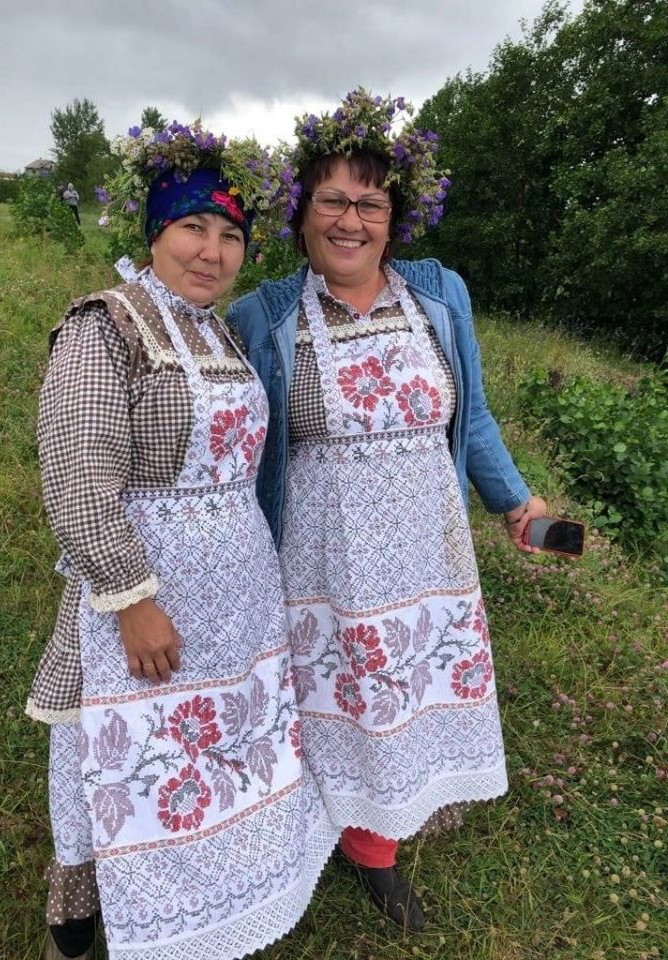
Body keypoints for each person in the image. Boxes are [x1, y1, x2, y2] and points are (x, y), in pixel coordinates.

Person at [228, 89, 547, 932]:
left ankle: (376, 852)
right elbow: (226, 437)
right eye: (331, 198)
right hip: (321, 559)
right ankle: (296, 849)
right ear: (301, 213)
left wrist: (515, 502)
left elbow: (469, 414)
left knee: (399, 699)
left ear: (393, 217)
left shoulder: (438, 296)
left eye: (370, 201)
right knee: (323, 703)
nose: (350, 219)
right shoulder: (262, 317)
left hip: (426, 553)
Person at [27, 122, 338, 960]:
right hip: (152, 600)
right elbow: (76, 476)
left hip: (239, 594)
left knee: (213, 751)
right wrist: (132, 600)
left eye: (231, 234)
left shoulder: (222, 332)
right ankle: (87, 926)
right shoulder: (108, 326)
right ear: (154, 233)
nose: (212, 250)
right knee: (122, 761)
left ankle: (209, 904)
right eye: (192, 226)